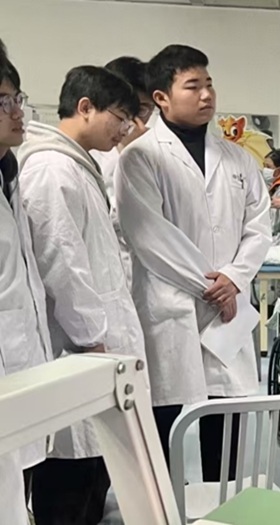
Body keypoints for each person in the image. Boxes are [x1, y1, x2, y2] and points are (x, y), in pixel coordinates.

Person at [115, 44, 271, 482]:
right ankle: (165, 506)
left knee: (226, 420)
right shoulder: (141, 157)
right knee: (165, 420)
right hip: (172, 309)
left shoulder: (238, 159)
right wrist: (212, 286)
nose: (206, 95)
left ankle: (222, 506)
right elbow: (149, 235)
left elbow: (259, 226)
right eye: (192, 86)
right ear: (161, 97)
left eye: (209, 84)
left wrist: (234, 279)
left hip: (227, 311)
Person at [18, 65, 146, 525]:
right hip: (78, 353)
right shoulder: (51, 170)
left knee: (92, 481)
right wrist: (93, 339)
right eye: (120, 117)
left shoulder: (76, 164)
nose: (125, 129)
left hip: (98, 350)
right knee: (70, 491)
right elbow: (63, 264)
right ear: (86, 107)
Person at [0, 38, 53, 525]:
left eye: (18, 98)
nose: (18, 112)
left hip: (21, 370)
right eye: (3, 102)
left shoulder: (8, 173)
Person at [93, 56, 156, 289]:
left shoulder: (158, 151)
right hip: (105, 278)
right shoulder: (91, 154)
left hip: (147, 280)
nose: (136, 119)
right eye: (128, 109)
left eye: (146, 109)